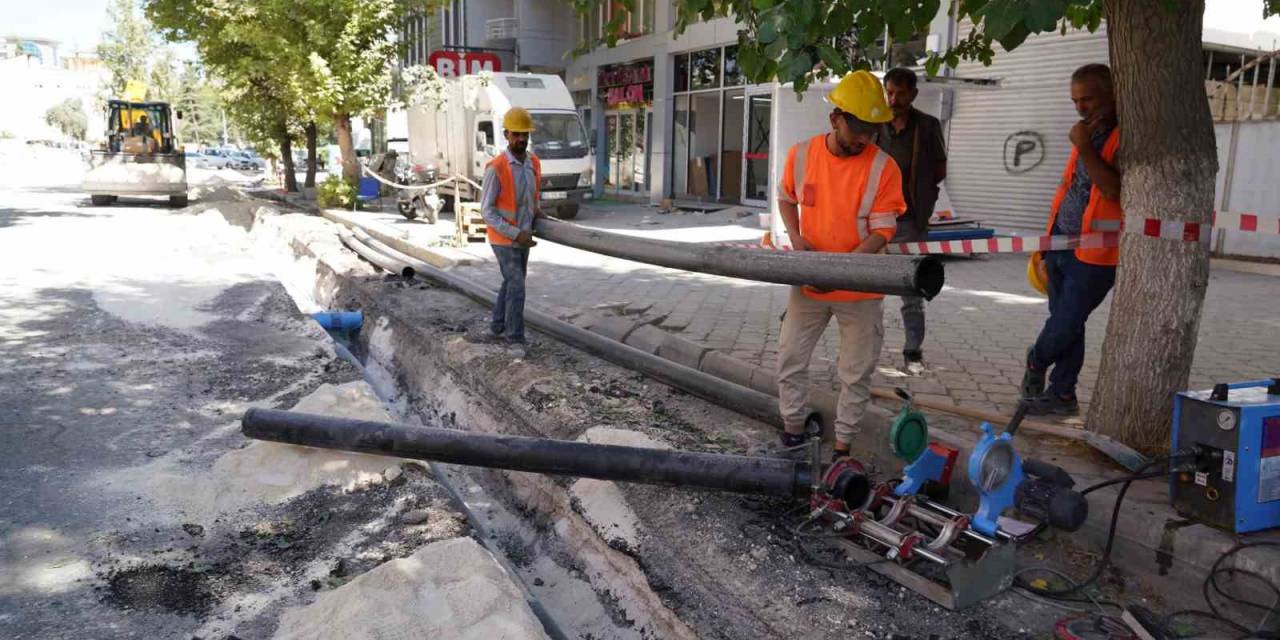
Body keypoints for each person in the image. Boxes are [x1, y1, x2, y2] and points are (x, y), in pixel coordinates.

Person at [775, 70, 908, 459]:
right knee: (790, 358)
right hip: (810, 283)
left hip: (860, 288)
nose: (865, 139)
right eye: (858, 130)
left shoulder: (883, 167)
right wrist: (795, 236)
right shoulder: (802, 155)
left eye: (872, 132)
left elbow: (882, 231)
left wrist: (844, 270)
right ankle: (793, 432)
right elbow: (786, 198)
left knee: (856, 371)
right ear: (835, 119)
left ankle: (842, 450)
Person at [1021, 64, 1122, 416]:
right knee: (1069, 324)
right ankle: (1063, 395)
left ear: (1112, 94)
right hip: (1060, 242)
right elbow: (1071, 188)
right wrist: (1047, 243)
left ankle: (1037, 359)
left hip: (1095, 253)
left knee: (1065, 322)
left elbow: (1111, 189)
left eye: (1088, 99)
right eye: (1075, 101)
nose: (1081, 108)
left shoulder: (1122, 136)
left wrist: (1084, 146)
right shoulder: (1088, 131)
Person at [880, 67, 947, 375]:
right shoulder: (874, 123)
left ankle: (913, 351)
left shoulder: (928, 126)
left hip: (909, 221)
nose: (894, 100)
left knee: (911, 292)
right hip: (874, 222)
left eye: (901, 93)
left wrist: (924, 198)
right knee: (866, 289)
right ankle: (865, 348)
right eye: (890, 93)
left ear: (914, 94)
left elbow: (939, 169)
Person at [475, 106, 548, 359]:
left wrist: (538, 213)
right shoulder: (496, 167)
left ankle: (497, 326)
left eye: (524, 134)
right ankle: (514, 338)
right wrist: (515, 233)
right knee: (517, 285)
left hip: (523, 237)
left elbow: (531, 198)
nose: (521, 139)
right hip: (503, 239)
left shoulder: (533, 163)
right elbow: (487, 211)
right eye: (516, 134)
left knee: (511, 282)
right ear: (506, 134)